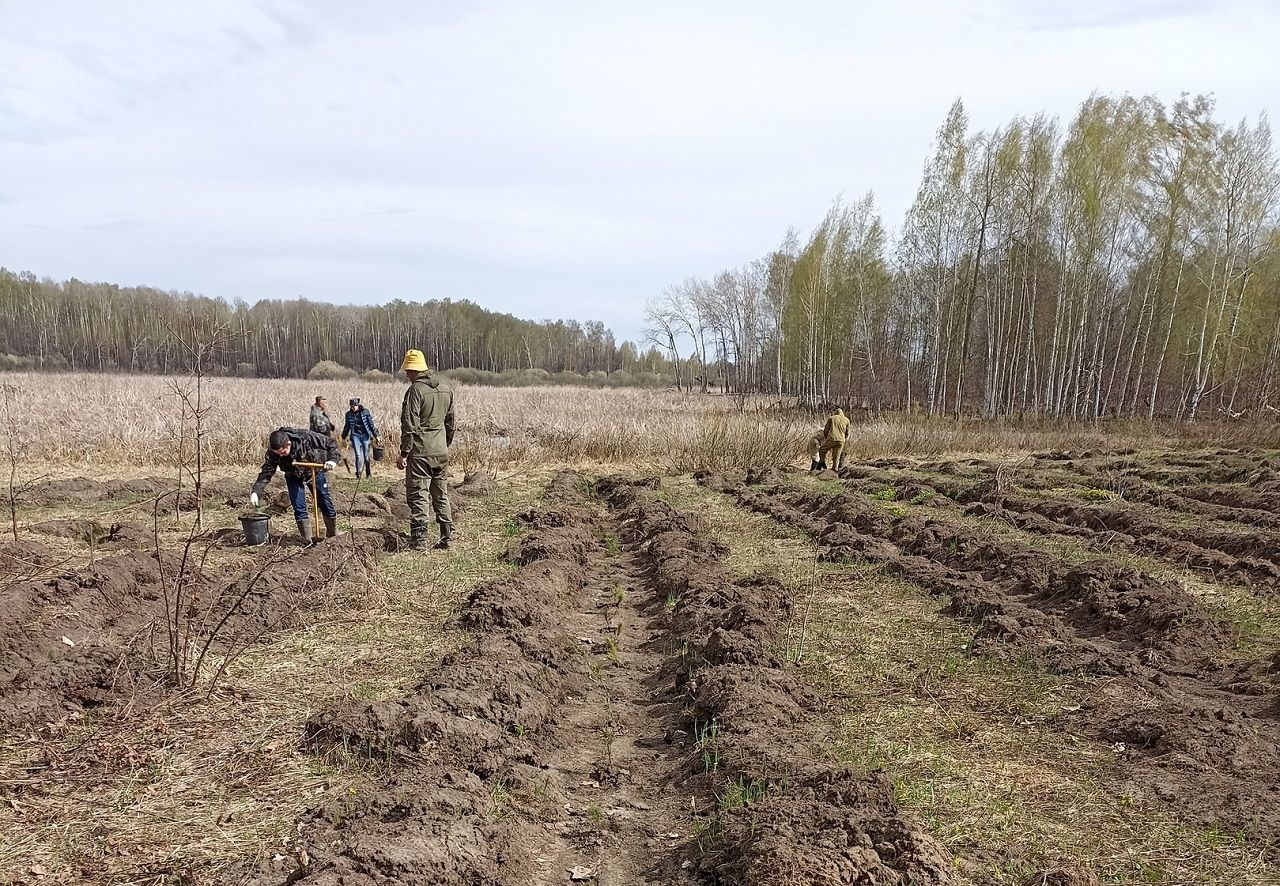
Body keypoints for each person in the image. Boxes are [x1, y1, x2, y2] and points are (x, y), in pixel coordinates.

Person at [397, 348, 455, 550]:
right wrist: (444, 444)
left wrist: (404, 453)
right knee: (441, 494)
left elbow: (409, 425)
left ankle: (419, 543)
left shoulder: (415, 391)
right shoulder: (446, 388)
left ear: (414, 370)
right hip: (441, 452)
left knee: (419, 494)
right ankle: (447, 539)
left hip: (421, 452)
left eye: (407, 370)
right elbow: (451, 423)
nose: (406, 374)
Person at [250, 427, 340, 545]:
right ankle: (307, 541)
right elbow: (267, 471)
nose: (281, 456)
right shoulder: (273, 452)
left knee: (325, 502)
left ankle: (333, 537)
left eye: (282, 453)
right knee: (298, 506)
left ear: (288, 444)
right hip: (293, 475)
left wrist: (333, 460)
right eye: (278, 454)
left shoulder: (305, 437)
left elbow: (331, 443)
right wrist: (256, 491)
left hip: (314, 471)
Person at [341, 397, 379, 479]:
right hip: (355, 436)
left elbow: (371, 425)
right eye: (352, 406)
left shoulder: (365, 412)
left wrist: (376, 435)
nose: (353, 407)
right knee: (358, 455)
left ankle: (368, 473)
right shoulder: (348, 414)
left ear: (358, 405)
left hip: (365, 435)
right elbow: (347, 426)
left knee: (366, 455)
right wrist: (343, 437)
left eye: (355, 405)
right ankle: (358, 473)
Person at [818, 407, 850, 472]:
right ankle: (834, 470)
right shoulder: (847, 420)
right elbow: (847, 432)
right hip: (841, 441)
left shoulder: (831, 418)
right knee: (837, 456)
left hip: (832, 438)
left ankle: (823, 466)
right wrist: (844, 438)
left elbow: (826, 430)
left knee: (821, 450)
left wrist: (826, 438)